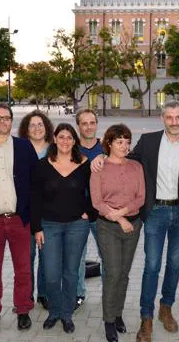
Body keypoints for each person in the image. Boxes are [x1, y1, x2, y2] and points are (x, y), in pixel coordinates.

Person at [92, 100, 179, 342]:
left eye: (178, 117)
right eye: (169, 117)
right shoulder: (149, 142)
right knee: (152, 265)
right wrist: (100, 156)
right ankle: (146, 317)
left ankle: (166, 308)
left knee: (174, 264)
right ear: (162, 118)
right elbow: (122, 155)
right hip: (154, 213)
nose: (174, 121)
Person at [31, 123, 96, 334]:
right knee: (50, 273)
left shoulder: (86, 164)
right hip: (49, 226)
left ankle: (66, 314)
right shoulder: (42, 165)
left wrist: (89, 212)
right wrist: (36, 228)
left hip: (77, 226)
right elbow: (35, 199)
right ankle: (54, 311)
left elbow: (95, 190)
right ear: (55, 139)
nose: (65, 141)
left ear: (74, 141)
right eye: (62, 137)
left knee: (70, 272)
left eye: (69, 137)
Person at [0, 104, 36, 332]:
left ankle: (23, 310)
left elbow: (36, 182)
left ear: (12, 122)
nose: (2, 122)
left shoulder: (24, 147)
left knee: (23, 268)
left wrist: (34, 217)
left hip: (18, 218)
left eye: (7, 118)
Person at [90, 124, 145, 342]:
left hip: (133, 226)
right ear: (109, 143)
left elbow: (141, 197)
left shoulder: (136, 167)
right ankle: (109, 321)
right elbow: (97, 201)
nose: (124, 146)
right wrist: (120, 218)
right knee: (112, 274)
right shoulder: (99, 167)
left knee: (124, 274)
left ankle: (118, 313)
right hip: (108, 227)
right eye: (120, 142)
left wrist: (124, 214)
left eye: (127, 142)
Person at [18, 109, 54, 310]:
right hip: (25, 213)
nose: (37, 128)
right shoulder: (19, 149)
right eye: (32, 125)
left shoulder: (55, 150)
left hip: (49, 213)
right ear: (26, 129)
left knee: (46, 257)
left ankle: (44, 293)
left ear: (46, 127)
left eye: (40, 124)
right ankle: (26, 295)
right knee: (27, 257)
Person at [75, 108, 103, 309]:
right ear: (78, 126)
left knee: (108, 258)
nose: (88, 127)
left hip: (102, 214)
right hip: (78, 213)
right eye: (84, 123)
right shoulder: (70, 150)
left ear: (96, 124)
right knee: (77, 258)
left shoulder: (107, 150)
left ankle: (110, 298)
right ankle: (78, 294)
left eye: (91, 122)